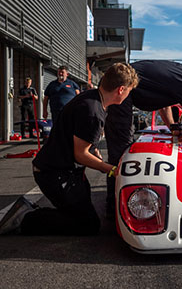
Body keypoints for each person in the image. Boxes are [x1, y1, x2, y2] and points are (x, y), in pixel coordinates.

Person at [0, 63, 138, 235]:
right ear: (120, 90)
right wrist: (111, 169)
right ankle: (25, 217)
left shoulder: (93, 99)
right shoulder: (93, 111)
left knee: (84, 211)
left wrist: (94, 151)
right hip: (53, 173)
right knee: (87, 225)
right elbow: (80, 155)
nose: (128, 95)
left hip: (65, 170)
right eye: (129, 91)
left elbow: (81, 140)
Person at [104, 60, 182, 216]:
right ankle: (115, 207)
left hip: (125, 83)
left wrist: (173, 128)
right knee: (121, 150)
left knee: (120, 146)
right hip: (122, 87)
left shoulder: (180, 72)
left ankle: (115, 201)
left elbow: (163, 104)